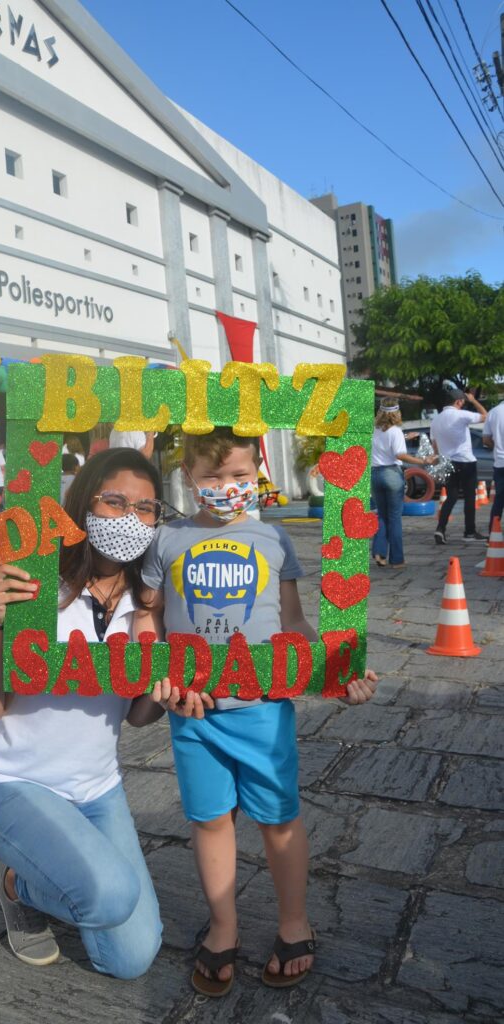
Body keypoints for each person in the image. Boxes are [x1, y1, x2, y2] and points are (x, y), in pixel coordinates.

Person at [134, 428, 378, 997]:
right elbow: (149, 616)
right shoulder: (166, 539)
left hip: (264, 711)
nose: (227, 487)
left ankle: (294, 922)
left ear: (258, 473)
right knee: (210, 819)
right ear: (189, 476)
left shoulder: (272, 538)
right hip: (192, 714)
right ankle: (225, 925)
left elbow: (292, 622)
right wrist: (153, 668)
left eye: (240, 476)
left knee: (278, 819)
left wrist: (338, 668)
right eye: (213, 477)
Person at [0, 448, 207, 980]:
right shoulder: (36, 585)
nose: (129, 517)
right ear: (83, 503)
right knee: (110, 895)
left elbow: (138, 716)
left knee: (133, 956)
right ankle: (17, 886)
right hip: (11, 784)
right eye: (113, 501)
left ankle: (57, 877)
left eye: (145, 508)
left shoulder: (149, 604)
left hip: (96, 788)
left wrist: (163, 696)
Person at [371, 400, 437, 568]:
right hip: (392, 474)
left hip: (375, 474)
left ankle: (379, 552)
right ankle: (397, 559)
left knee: (382, 516)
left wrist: (406, 437)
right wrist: (423, 460)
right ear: (396, 413)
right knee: (394, 518)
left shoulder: (374, 430)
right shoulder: (396, 432)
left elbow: (386, 443)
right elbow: (400, 455)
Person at [431, 389, 487, 544]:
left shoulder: (436, 420)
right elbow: (486, 417)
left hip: (447, 462)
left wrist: (437, 462)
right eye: (463, 401)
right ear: (458, 401)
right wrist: (474, 401)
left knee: (451, 497)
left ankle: (440, 529)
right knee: (469, 497)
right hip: (465, 461)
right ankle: (469, 531)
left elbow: (434, 444)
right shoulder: (461, 415)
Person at [483, 398, 504, 532]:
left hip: (500, 463)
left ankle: (493, 532)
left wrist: (496, 447)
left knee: (499, 500)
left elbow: (486, 439)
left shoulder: (493, 412)